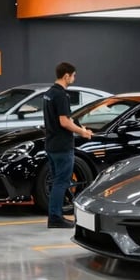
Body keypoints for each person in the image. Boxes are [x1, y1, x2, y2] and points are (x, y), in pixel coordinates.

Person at [43, 61, 93, 229]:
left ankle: (54, 214)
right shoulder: (61, 95)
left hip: (50, 144)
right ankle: (55, 218)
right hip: (62, 145)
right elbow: (64, 122)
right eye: (73, 75)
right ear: (66, 75)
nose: (74, 78)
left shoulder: (49, 93)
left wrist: (78, 127)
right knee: (61, 182)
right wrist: (83, 133)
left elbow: (66, 119)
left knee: (56, 181)